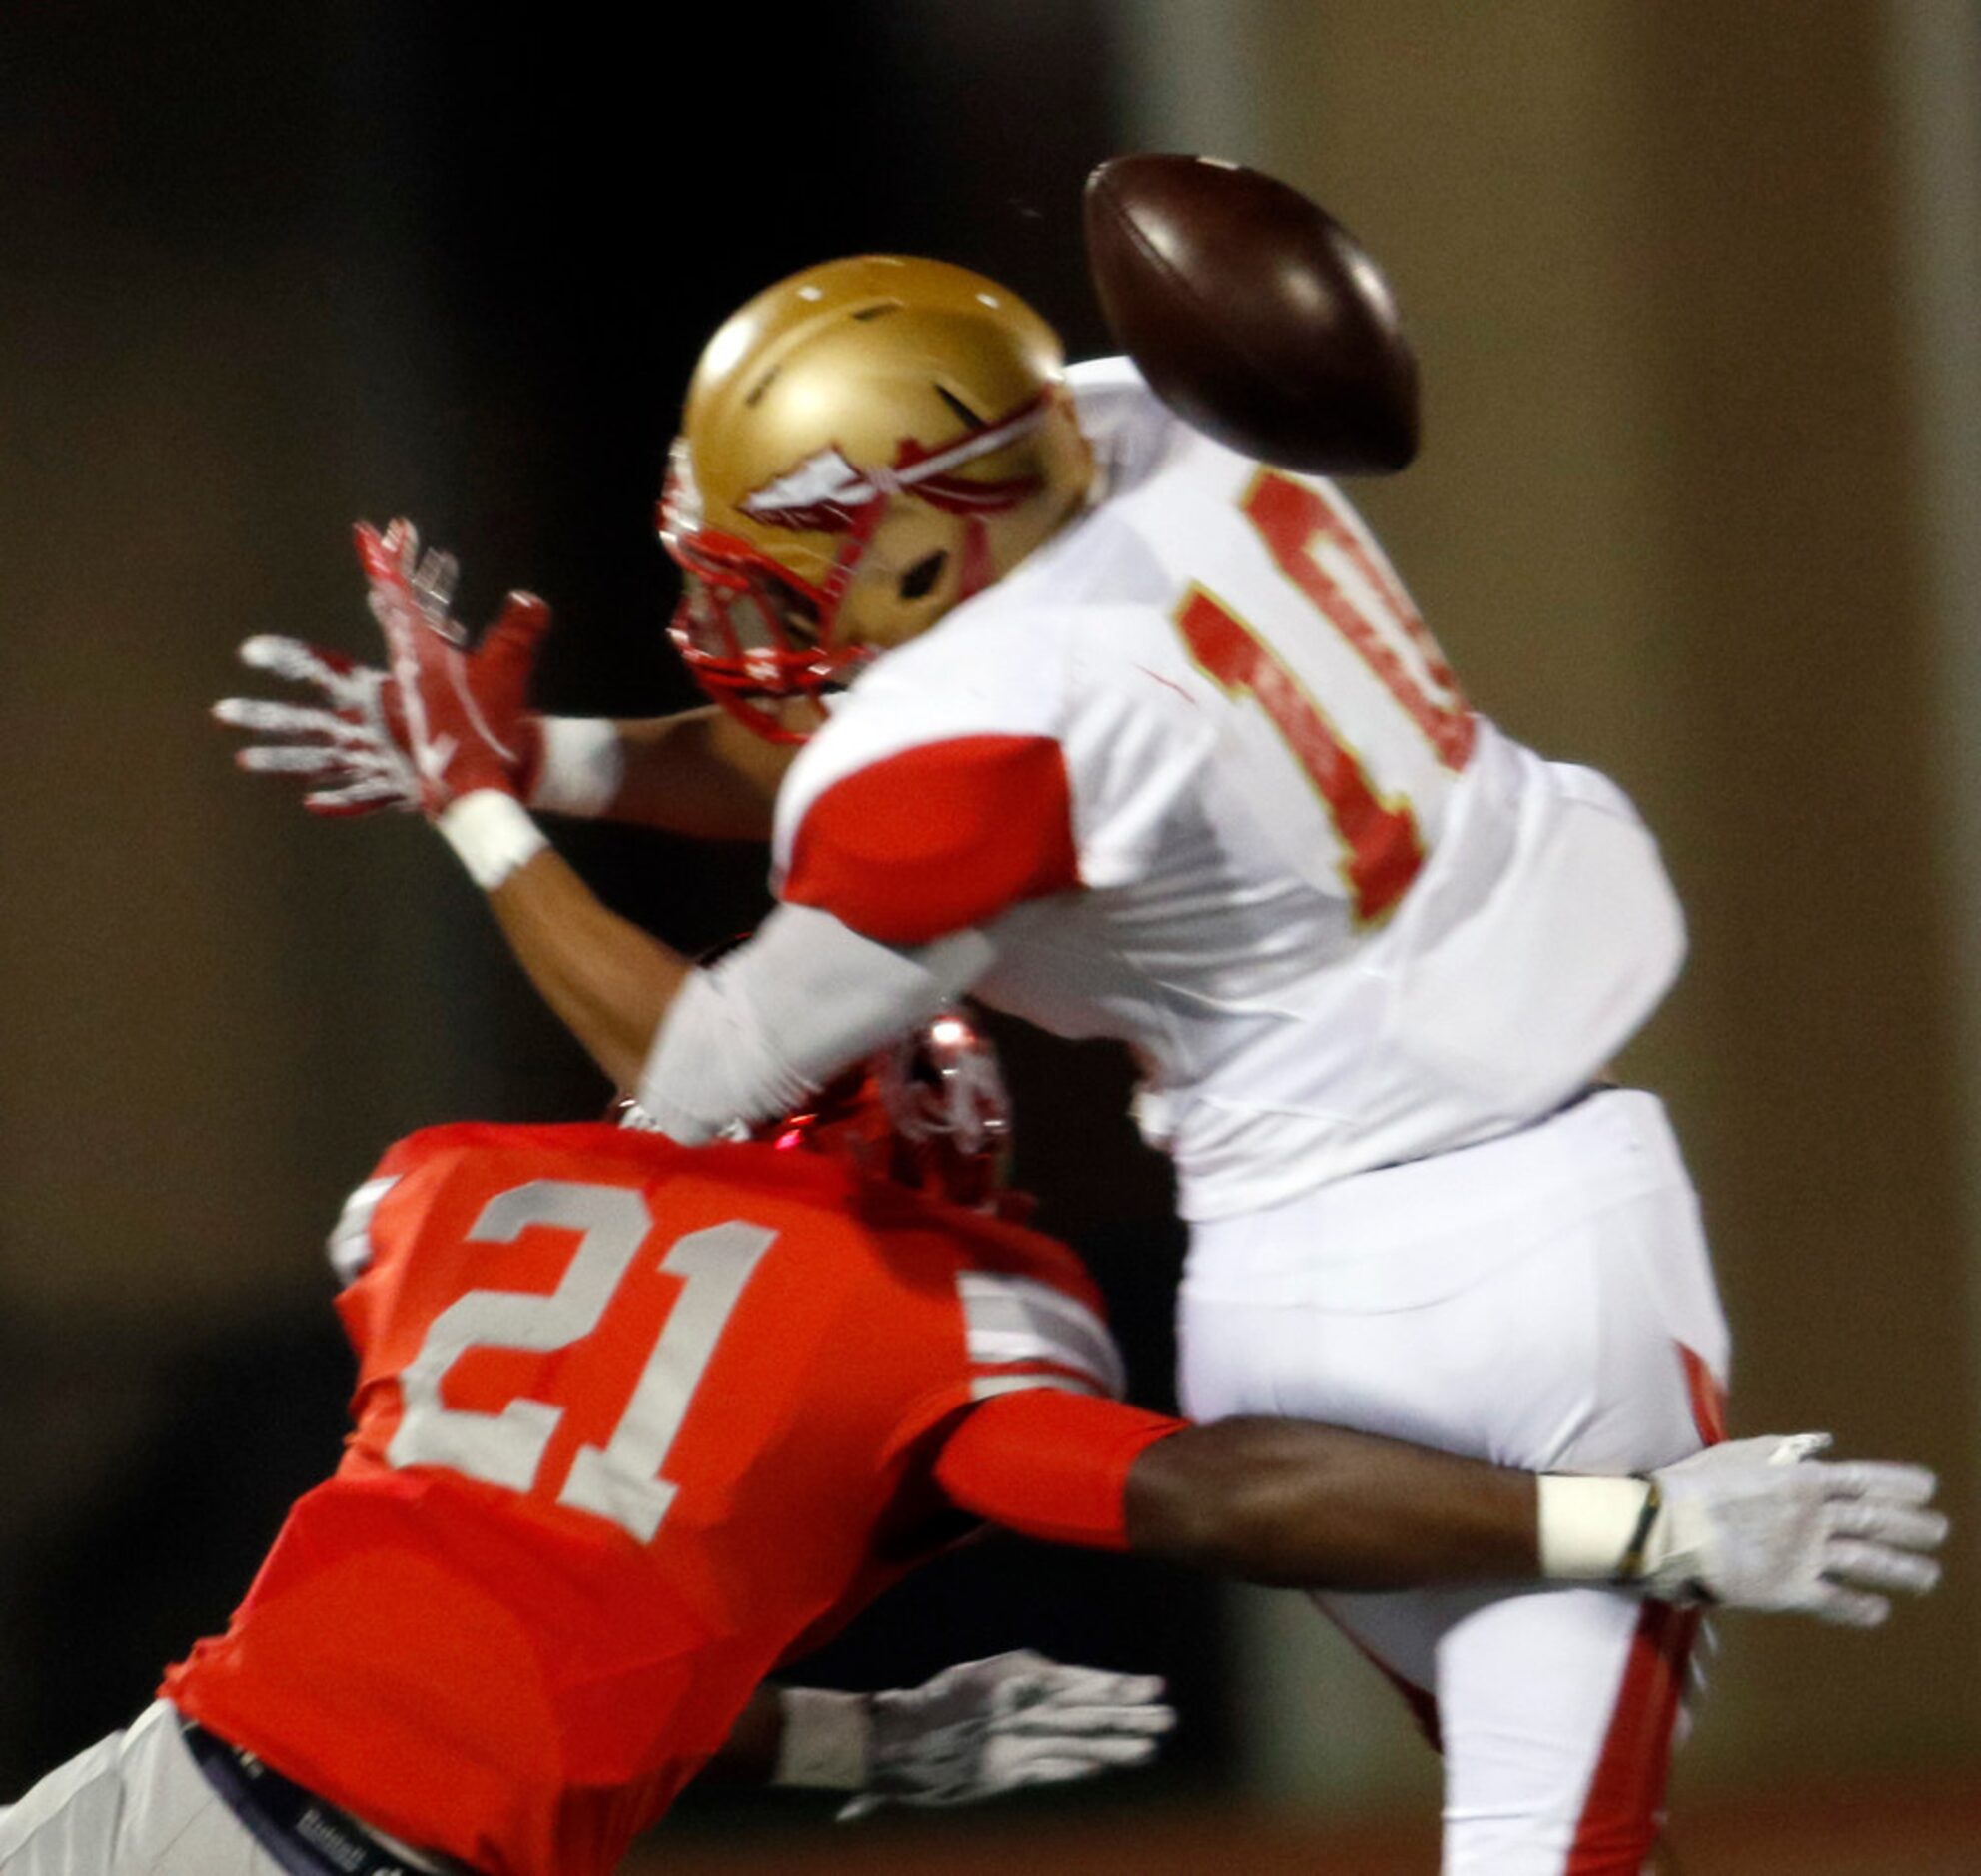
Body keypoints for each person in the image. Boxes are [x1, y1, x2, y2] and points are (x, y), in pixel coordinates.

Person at [220, 254, 1933, 1871]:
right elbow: (871, 782)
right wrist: (1643, 1523)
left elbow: (708, 1060)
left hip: (1291, 1270)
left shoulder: (455, 1189)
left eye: (774, 566)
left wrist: (481, 796)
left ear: (920, 538)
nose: (727, 607)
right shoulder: (1150, 420)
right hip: (1524, 1227)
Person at [0, 1014, 1944, 1876]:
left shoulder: (456, 1197)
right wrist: (1629, 1525)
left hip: (145, 1784)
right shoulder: (921, 1317)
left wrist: (866, 1741)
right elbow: (1209, 1492)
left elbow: (539, 1585)